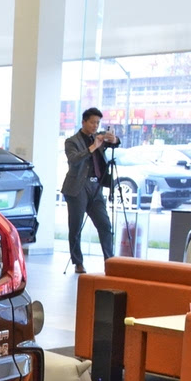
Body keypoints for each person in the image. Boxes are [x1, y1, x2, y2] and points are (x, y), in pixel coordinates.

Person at [62, 107, 120, 274]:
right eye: (92, 122)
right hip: (77, 187)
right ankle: (78, 262)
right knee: (75, 227)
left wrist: (113, 139)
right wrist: (93, 147)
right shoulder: (71, 141)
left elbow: (116, 143)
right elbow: (74, 160)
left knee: (104, 224)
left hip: (96, 186)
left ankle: (109, 261)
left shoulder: (98, 137)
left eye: (98, 123)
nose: (95, 126)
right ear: (84, 122)